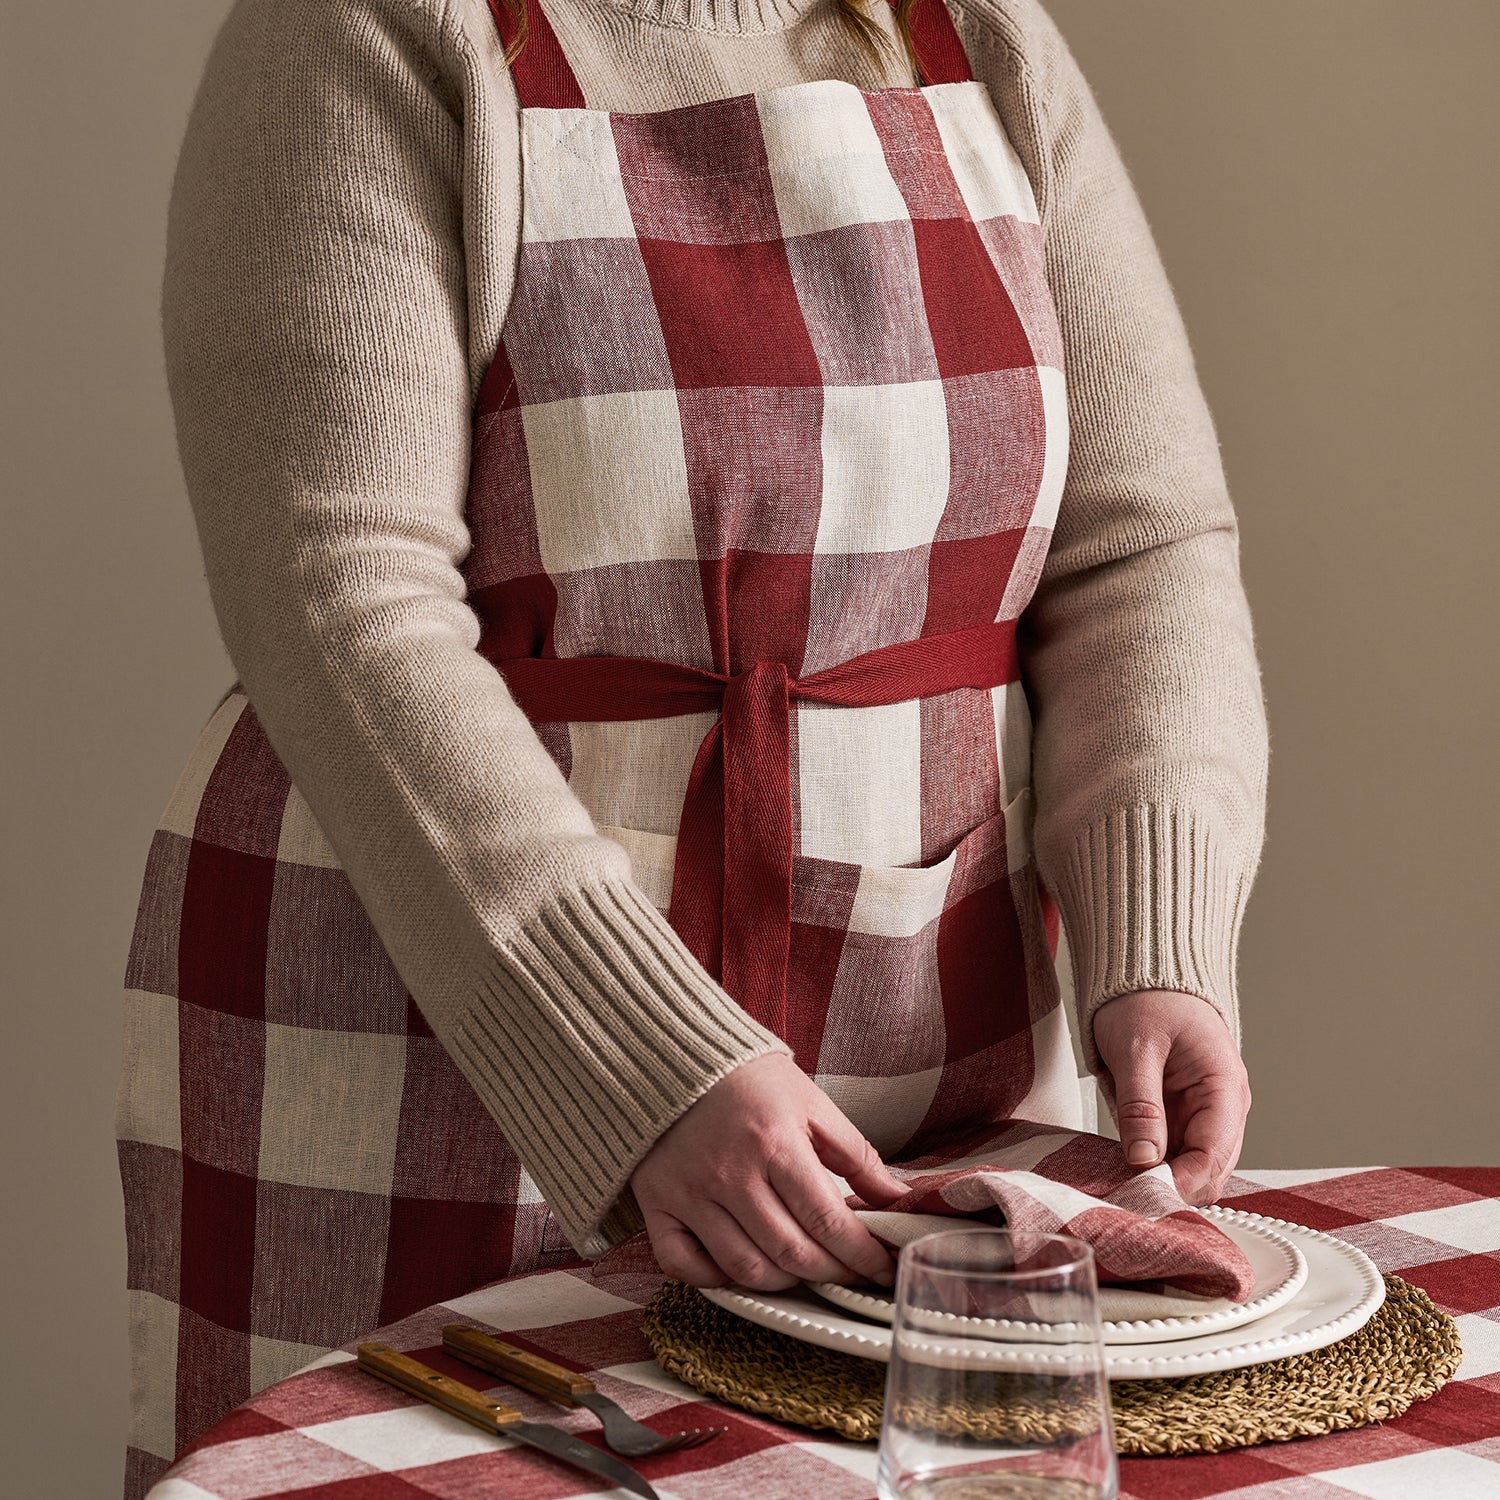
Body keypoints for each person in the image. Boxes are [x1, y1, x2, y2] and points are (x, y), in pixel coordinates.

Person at [115, 0, 1266, 1492]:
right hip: (441, 1037)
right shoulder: (367, 33)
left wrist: (1157, 940)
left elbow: (1138, 547)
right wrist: (641, 1063)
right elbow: (339, 600)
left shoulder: (978, 35)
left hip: (942, 1055)